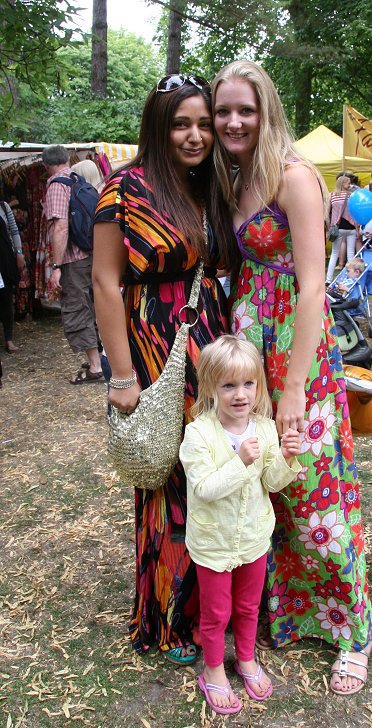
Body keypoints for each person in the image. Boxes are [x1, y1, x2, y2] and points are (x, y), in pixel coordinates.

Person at [212, 60, 372, 696]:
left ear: (266, 111)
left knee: (316, 495)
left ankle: (353, 630)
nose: (231, 121)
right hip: (249, 349)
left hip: (295, 353)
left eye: (244, 110)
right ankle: (289, 613)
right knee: (268, 493)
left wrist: (293, 388)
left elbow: (313, 287)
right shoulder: (235, 178)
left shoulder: (294, 177)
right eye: (223, 110)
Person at [92, 74, 236, 664]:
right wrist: (122, 377)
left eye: (204, 123)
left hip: (212, 335)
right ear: (159, 125)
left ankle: (217, 606)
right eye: (182, 123)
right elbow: (104, 281)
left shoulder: (212, 186)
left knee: (216, 461)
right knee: (168, 472)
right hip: (153, 342)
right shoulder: (123, 187)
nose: (197, 135)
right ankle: (170, 614)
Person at [180, 335, 302, 714]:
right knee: (216, 613)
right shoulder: (199, 434)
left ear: (258, 385)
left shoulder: (264, 428)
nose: (240, 394)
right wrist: (240, 463)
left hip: (252, 538)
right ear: (211, 388)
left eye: (248, 383)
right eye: (228, 385)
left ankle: (246, 659)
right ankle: (214, 670)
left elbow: (271, 483)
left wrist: (284, 458)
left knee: (249, 606)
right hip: (214, 544)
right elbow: (203, 488)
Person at [41, 145, 103, 383]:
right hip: (92, 254)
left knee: (78, 308)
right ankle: (99, 358)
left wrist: (56, 267)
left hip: (74, 260)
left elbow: (60, 226)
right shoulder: (78, 179)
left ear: (47, 165)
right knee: (95, 307)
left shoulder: (57, 185)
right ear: (67, 159)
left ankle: (96, 368)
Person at [0, 200, 26, 353]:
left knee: (6, 299)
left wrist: (19, 252)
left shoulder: (3, 206)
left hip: (4, 260)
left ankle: (9, 339)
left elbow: (14, 230)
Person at [325, 174, 358, 283]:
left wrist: (330, 226)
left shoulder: (332, 195)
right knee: (351, 255)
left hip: (337, 228)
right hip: (351, 228)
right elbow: (355, 214)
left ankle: (328, 279)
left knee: (334, 254)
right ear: (343, 183)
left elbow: (326, 215)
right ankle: (351, 279)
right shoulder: (352, 196)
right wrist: (357, 229)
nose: (350, 185)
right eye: (348, 183)